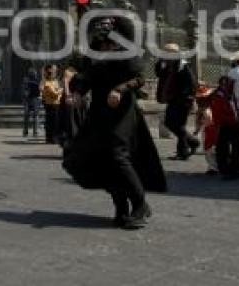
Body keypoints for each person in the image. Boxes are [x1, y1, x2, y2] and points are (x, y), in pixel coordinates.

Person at [63, 14, 166, 229]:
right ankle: (121, 208)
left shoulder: (126, 52)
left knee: (118, 155)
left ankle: (140, 204)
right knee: (103, 159)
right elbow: (86, 78)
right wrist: (78, 94)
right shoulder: (96, 53)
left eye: (107, 31)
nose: (103, 38)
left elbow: (139, 79)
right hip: (99, 112)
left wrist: (120, 89)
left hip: (122, 112)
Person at [155, 44, 200, 160]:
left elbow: (192, 84)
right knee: (170, 123)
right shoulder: (169, 66)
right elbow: (158, 73)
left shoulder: (183, 66)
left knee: (179, 125)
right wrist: (160, 61)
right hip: (172, 100)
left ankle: (183, 152)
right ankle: (192, 141)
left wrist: (185, 97)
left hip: (183, 101)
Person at [40, 65, 63, 144]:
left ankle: (53, 138)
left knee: (55, 122)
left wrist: (58, 91)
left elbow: (58, 90)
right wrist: (59, 91)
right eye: (50, 72)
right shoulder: (45, 82)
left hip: (56, 104)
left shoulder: (56, 81)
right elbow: (53, 93)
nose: (52, 73)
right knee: (50, 122)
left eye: (53, 72)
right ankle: (50, 138)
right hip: (50, 104)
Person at [22, 66, 41, 138]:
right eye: (32, 73)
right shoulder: (26, 80)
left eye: (34, 73)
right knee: (28, 116)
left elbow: (39, 89)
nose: (33, 74)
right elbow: (24, 90)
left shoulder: (37, 80)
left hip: (34, 99)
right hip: (29, 99)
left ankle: (34, 132)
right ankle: (27, 131)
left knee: (34, 116)